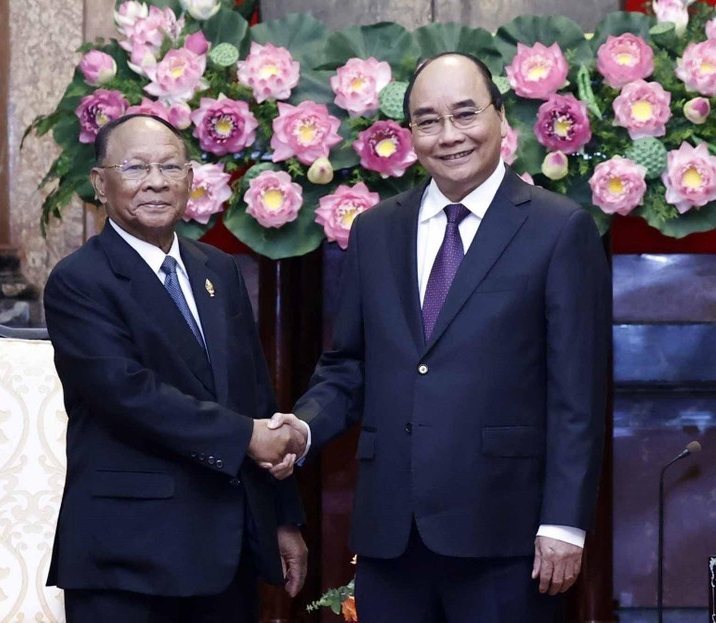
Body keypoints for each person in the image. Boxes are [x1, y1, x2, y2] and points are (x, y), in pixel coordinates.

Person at [271, 52, 611, 622]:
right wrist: (303, 428)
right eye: (428, 121)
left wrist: (564, 523)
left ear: (502, 119)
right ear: (410, 135)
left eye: (465, 114)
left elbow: (578, 392)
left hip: (507, 535)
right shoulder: (377, 231)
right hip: (391, 536)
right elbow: (347, 366)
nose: (448, 135)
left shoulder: (558, 229)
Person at [44, 113, 307, 623]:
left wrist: (282, 518)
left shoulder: (218, 270)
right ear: (101, 183)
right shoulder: (80, 281)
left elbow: (255, 392)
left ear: (190, 179)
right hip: (128, 557)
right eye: (136, 167)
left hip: (226, 550)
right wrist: (246, 437)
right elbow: (127, 394)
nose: (157, 181)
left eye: (171, 166)